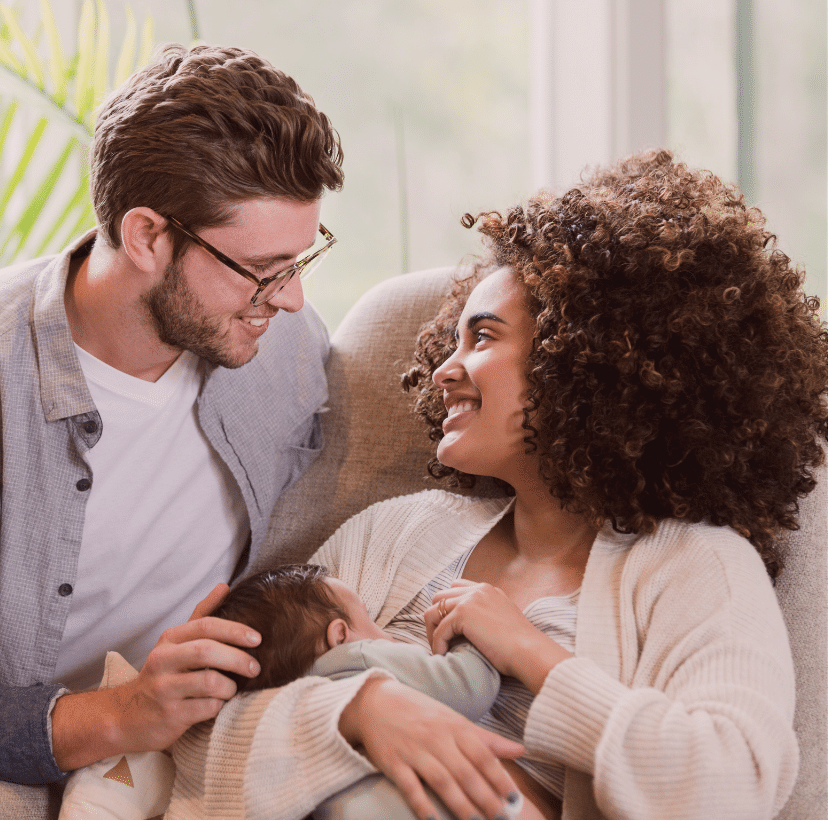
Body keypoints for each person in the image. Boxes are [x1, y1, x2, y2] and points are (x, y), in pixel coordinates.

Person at [167, 149, 828, 821]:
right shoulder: (399, 531)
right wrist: (358, 710)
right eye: (452, 341)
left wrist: (530, 651)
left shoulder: (698, 566)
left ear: (588, 356)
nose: (444, 370)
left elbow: (734, 788)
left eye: (481, 337)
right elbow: (193, 733)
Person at [0, 42, 343, 787]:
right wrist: (119, 713)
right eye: (262, 272)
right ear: (147, 235)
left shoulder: (285, 348)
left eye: (300, 261)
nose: (291, 300)